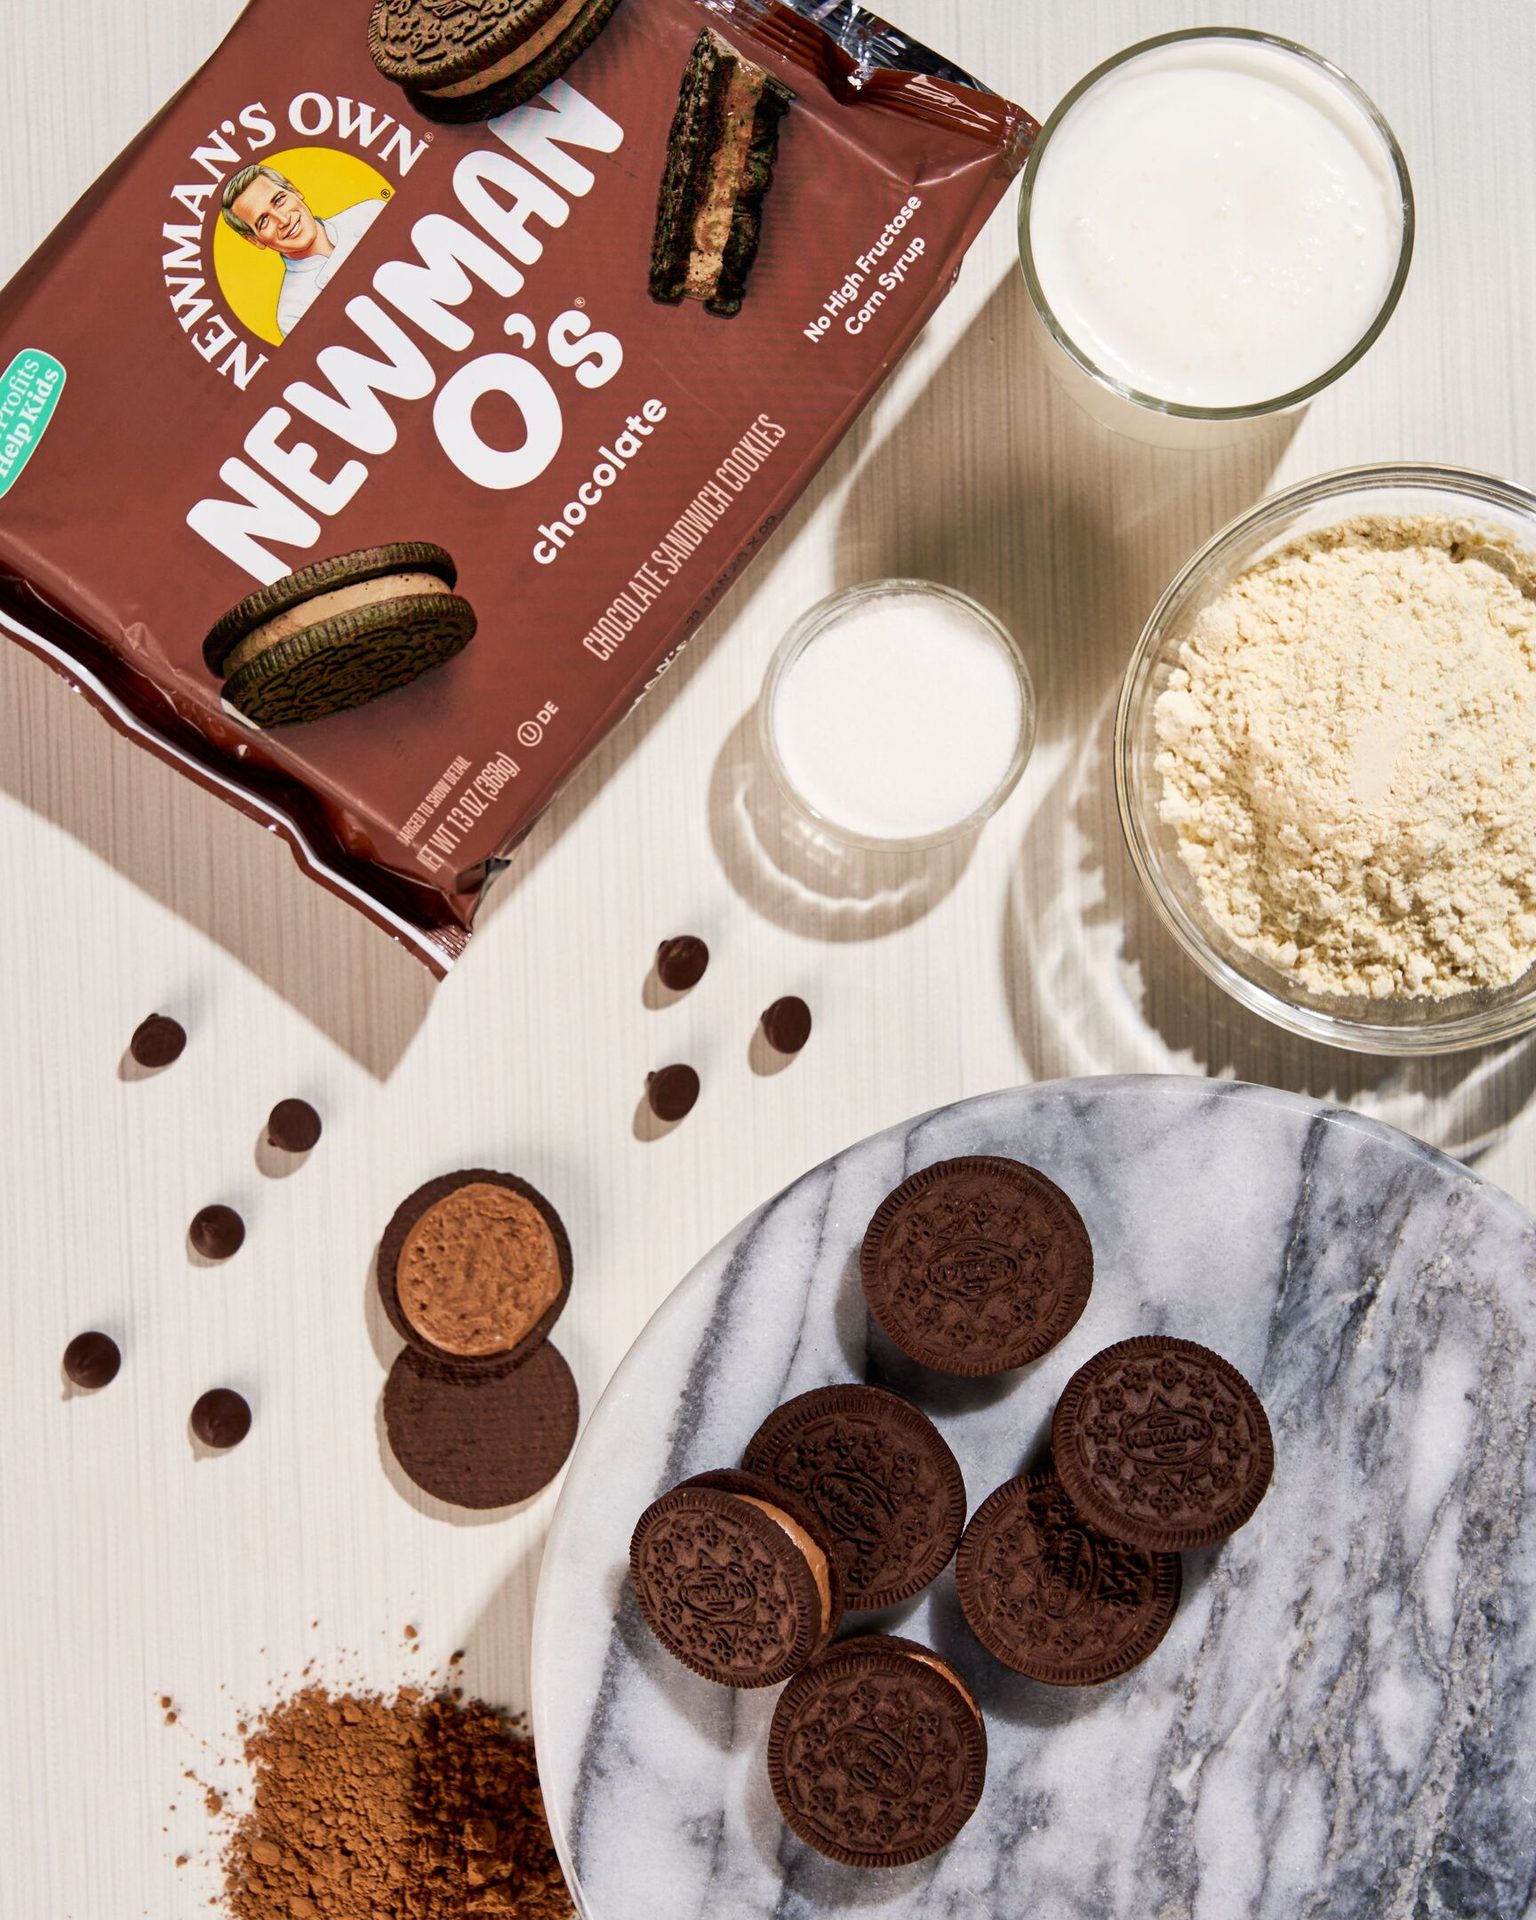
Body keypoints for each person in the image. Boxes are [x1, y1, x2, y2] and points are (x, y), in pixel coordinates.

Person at [220, 164, 386, 339]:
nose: (283, 219)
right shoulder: (292, 313)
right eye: (263, 221)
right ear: (254, 240)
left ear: (294, 190)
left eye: (278, 201)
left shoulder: (371, 213)